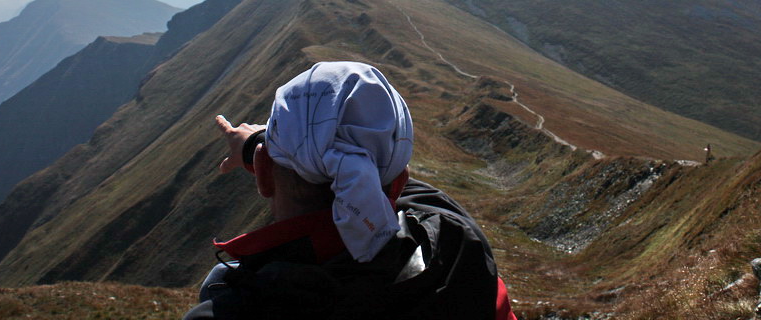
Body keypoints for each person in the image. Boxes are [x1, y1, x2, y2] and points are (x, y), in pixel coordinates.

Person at [183, 61, 517, 320]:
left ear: (264, 176)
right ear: (397, 185)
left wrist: (257, 147)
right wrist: (262, 151)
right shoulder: (460, 251)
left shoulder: (228, 310)